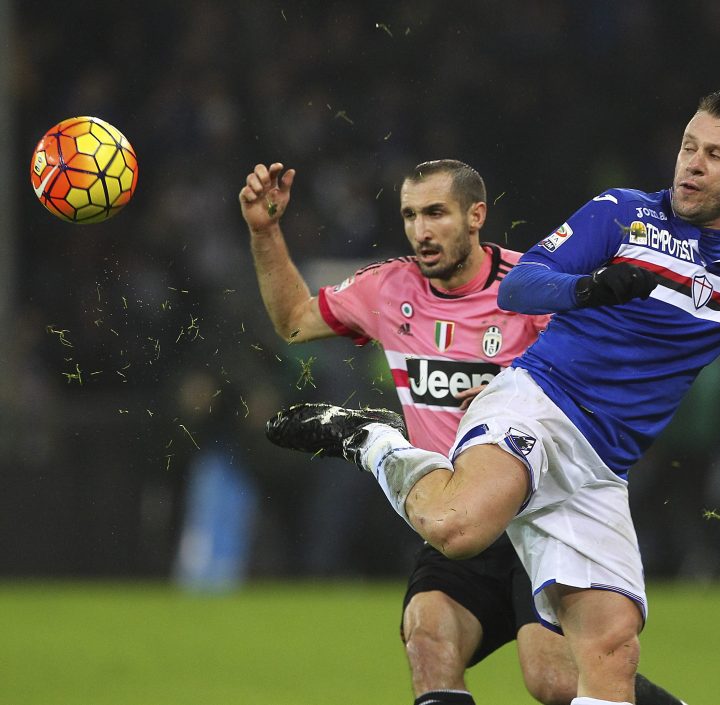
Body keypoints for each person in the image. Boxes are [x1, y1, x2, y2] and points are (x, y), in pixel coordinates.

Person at [266, 92, 720, 705]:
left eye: (716, 154)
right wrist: (590, 286)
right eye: (689, 144)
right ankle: (373, 440)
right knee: (457, 528)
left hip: (598, 469)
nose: (693, 162)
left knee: (606, 663)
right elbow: (523, 285)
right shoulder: (623, 214)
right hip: (537, 407)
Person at [240, 159, 684, 705]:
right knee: (428, 637)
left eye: (436, 213)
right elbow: (293, 320)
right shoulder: (388, 288)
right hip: (452, 516)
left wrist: (516, 392)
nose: (421, 231)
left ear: (476, 216)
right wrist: (265, 231)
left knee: (552, 680)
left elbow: (601, 373)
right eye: (409, 215)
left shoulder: (530, 289)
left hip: (538, 518)